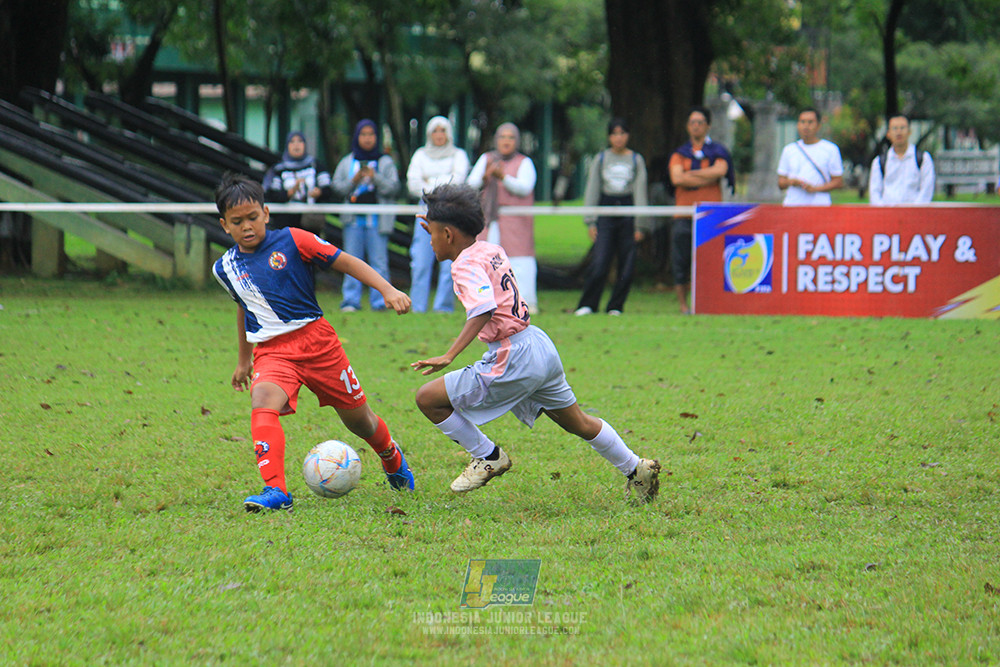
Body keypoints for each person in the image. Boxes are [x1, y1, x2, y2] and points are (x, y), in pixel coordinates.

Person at [410, 183, 661, 503]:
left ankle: (487, 456)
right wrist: (437, 221)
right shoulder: (490, 248)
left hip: (512, 355)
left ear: (447, 234)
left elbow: (483, 308)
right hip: (539, 346)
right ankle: (635, 468)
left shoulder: (464, 265)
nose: (428, 240)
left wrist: (449, 355)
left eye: (430, 233)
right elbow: (486, 285)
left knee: (428, 399)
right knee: (578, 422)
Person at [212, 173, 415, 512]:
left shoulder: (294, 240)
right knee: (262, 400)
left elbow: (346, 261)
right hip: (273, 352)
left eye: (252, 217)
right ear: (224, 225)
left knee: (359, 420)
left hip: (318, 343)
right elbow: (244, 306)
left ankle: (391, 456)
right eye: (237, 221)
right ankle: (276, 490)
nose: (247, 226)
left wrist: (387, 289)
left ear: (265, 212)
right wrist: (244, 359)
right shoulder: (226, 267)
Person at [574, 118, 649, 316]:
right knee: (600, 262)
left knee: (627, 263)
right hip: (606, 212)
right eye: (614, 133)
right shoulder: (600, 159)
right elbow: (592, 190)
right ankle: (588, 304)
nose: (618, 138)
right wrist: (590, 221)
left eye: (622, 133)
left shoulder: (636, 160)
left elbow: (640, 191)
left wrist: (640, 224)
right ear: (609, 137)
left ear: (628, 136)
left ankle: (615, 306)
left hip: (628, 212)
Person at [467, 123, 539, 313]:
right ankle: (488, 304)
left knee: (519, 261)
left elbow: (525, 187)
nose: (506, 141)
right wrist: (486, 176)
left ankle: (525, 303)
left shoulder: (524, 162)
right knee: (488, 261)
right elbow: (470, 184)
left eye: (510, 137)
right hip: (489, 221)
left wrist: (503, 177)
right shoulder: (487, 159)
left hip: (516, 223)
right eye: (502, 137)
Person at [669, 106, 735, 314]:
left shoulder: (718, 151)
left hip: (710, 215)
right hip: (684, 213)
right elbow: (677, 178)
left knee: (711, 261)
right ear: (687, 127)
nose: (696, 126)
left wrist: (691, 174)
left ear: (707, 126)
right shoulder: (680, 153)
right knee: (681, 261)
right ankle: (683, 305)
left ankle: (711, 303)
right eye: (692, 122)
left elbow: (721, 171)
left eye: (700, 122)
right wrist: (706, 174)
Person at [331, 120, 401, 312]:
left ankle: (381, 301)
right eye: (363, 134)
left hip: (377, 221)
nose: (367, 138)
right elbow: (337, 187)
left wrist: (375, 177)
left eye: (371, 134)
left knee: (379, 262)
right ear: (357, 137)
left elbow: (394, 188)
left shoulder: (385, 161)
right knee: (351, 261)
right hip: (353, 221)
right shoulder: (347, 161)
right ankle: (351, 301)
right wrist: (354, 180)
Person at [406, 116, 471, 313]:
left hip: (450, 212)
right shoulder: (420, 155)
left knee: (449, 262)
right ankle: (417, 306)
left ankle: (443, 306)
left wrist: (430, 181)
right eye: (435, 131)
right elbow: (413, 184)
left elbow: (459, 180)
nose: (439, 135)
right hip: (425, 210)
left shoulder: (458, 155)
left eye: (443, 131)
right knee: (420, 260)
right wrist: (443, 181)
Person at [262, 131, 332, 231]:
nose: (296, 145)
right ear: (287, 145)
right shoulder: (279, 169)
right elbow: (272, 194)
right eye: (292, 142)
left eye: (300, 141)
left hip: (310, 223)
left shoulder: (315, 165)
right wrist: (290, 192)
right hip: (285, 224)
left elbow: (328, 189)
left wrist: (319, 192)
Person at [776, 108, 844, 205]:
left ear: (818, 126)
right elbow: (781, 182)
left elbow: (838, 182)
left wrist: (815, 189)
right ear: (798, 125)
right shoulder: (789, 150)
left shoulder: (830, 149)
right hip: (792, 205)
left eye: (810, 122)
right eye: (802, 122)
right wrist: (792, 182)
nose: (806, 126)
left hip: (819, 205)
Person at [868, 114, 935, 205]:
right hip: (888, 215)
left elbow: (927, 189)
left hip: (915, 214)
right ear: (888, 134)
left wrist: (915, 211)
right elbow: (874, 192)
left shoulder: (923, 159)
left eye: (902, 128)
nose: (899, 132)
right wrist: (883, 212)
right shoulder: (879, 162)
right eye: (895, 128)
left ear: (909, 131)